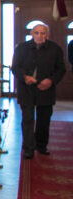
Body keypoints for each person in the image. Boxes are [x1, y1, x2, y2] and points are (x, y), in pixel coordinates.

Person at [13, 23, 66, 159]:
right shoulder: (21, 48)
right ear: (32, 34)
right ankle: (28, 148)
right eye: (37, 33)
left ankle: (41, 145)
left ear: (47, 34)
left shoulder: (55, 49)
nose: (40, 36)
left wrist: (51, 81)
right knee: (27, 119)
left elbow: (61, 69)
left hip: (46, 89)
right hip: (26, 88)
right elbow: (15, 67)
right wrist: (25, 77)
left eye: (43, 33)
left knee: (44, 119)